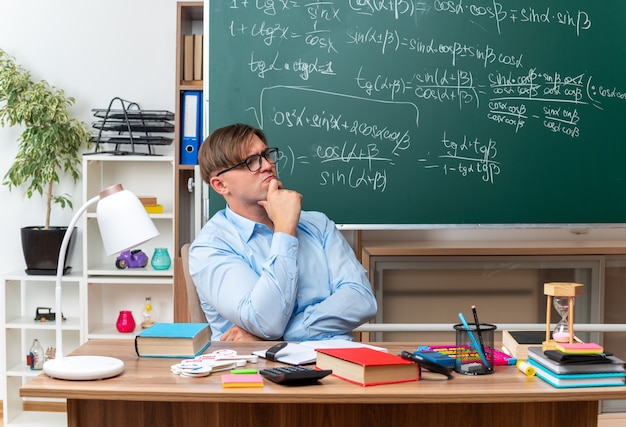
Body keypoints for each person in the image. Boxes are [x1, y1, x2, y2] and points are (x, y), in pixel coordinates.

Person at [189, 123, 377, 341]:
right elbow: (264, 321)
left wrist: (281, 337)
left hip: (335, 361)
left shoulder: (318, 224)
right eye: (251, 161)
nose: (267, 165)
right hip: (255, 369)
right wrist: (285, 231)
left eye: (266, 155)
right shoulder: (210, 246)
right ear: (220, 185)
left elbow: (362, 301)